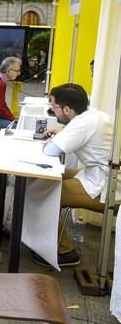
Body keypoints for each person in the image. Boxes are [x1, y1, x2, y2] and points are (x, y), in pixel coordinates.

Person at [31, 83, 113, 267]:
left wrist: (60, 134)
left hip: (103, 186)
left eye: (54, 108)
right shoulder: (94, 115)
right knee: (55, 176)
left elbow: (50, 151)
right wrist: (64, 131)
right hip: (101, 175)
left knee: (42, 192)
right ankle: (47, 234)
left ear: (67, 109)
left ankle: (65, 251)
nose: (53, 112)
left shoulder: (82, 123)